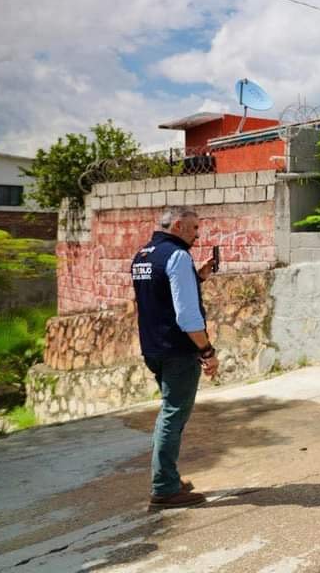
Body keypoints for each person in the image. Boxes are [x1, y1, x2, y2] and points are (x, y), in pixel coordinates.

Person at [131, 207, 219, 510]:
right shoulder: (177, 256)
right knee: (172, 416)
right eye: (194, 228)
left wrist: (197, 278)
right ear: (178, 225)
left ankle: (166, 477)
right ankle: (165, 488)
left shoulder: (143, 255)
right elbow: (186, 315)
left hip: (153, 349)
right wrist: (207, 351)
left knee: (168, 413)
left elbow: (161, 296)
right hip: (177, 351)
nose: (197, 235)